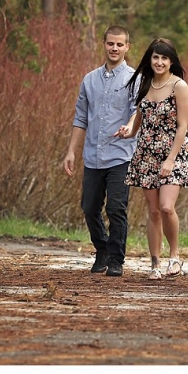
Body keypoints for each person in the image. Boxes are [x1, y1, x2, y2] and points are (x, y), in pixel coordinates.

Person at [114, 38, 188, 280]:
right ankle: (155, 264)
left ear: (171, 61)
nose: (159, 62)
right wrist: (128, 130)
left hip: (175, 152)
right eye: (155, 57)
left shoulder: (179, 86)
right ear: (149, 59)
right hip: (146, 153)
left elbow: (182, 126)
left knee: (166, 207)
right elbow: (140, 117)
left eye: (164, 58)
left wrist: (170, 160)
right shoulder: (145, 83)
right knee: (152, 211)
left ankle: (175, 257)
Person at [63, 25, 139, 277]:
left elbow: (137, 111)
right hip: (93, 156)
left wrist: (129, 126)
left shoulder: (134, 78)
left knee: (116, 207)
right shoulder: (89, 79)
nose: (114, 48)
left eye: (120, 44)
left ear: (127, 47)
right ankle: (102, 248)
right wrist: (71, 152)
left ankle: (116, 259)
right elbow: (80, 118)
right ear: (104, 44)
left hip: (121, 155)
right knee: (89, 206)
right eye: (110, 43)